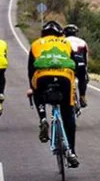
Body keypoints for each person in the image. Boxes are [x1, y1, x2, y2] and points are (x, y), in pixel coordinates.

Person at [28, 21, 79, 168]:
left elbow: (30, 70)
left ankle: (43, 118)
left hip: (42, 76)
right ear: (59, 33)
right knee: (68, 114)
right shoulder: (65, 43)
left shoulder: (36, 44)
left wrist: (31, 88)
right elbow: (75, 64)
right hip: (65, 78)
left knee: (37, 90)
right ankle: (72, 152)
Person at [64, 24, 89, 108]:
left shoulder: (62, 41)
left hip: (68, 64)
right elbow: (86, 57)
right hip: (81, 64)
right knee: (82, 79)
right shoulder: (82, 42)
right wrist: (86, 72)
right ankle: (82, 96)